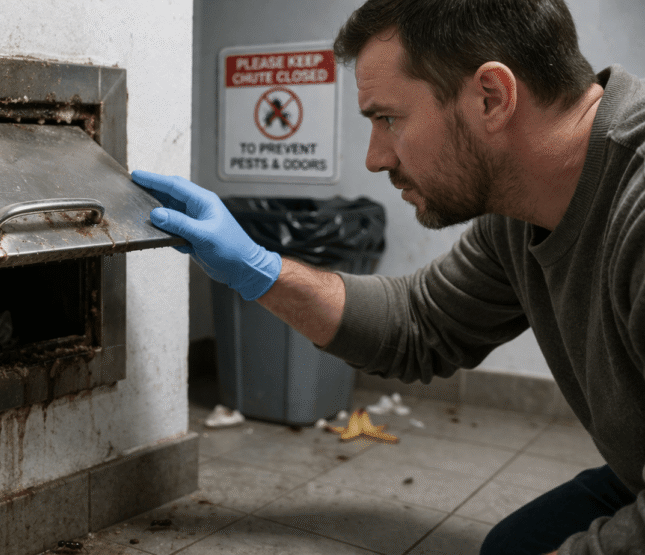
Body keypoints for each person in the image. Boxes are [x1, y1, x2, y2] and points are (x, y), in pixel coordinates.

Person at [130, 0, 645, 553]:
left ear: (491, 97)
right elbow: (419, 322)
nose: (376, 158)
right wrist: (258, 269)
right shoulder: (518, 217)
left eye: (388, 118)